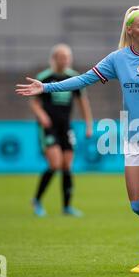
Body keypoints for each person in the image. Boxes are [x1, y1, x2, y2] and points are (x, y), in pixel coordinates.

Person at [16, 5, 139, 273]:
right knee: (136, 205)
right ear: (130, 30)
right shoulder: (118, 59)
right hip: (133, 136)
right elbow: (83, 80)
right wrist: (47, 87)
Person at [29, 43, 93, 217]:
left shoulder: (74, 78)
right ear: (54, 59)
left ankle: (66, 207)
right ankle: (37, 200)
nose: (65, 61)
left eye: (67, 58)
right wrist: (41, 115)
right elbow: (34, 102)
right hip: (49, 127)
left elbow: (83, 103)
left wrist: (89, 124)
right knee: (55, 164)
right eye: (61, 57)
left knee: (67, 165)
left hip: (66, 127)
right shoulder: (44, 77)